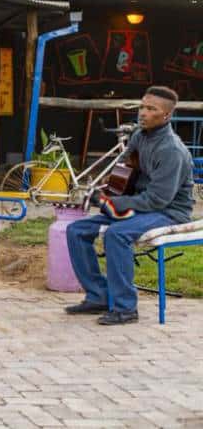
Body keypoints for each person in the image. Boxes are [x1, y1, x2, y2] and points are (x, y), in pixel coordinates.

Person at [65, 86, 194, 325]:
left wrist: (112, 202)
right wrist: (105, 188)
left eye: (151, 109)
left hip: (169, 211)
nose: (142, 112)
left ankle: (125, 308)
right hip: (141, 205)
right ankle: (99, 295)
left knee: (117, 234)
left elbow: (158, 200)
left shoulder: (171, 150)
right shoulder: (139, 136)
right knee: (76, 230)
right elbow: (125, 169)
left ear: (166, 115)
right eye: (142, 106)